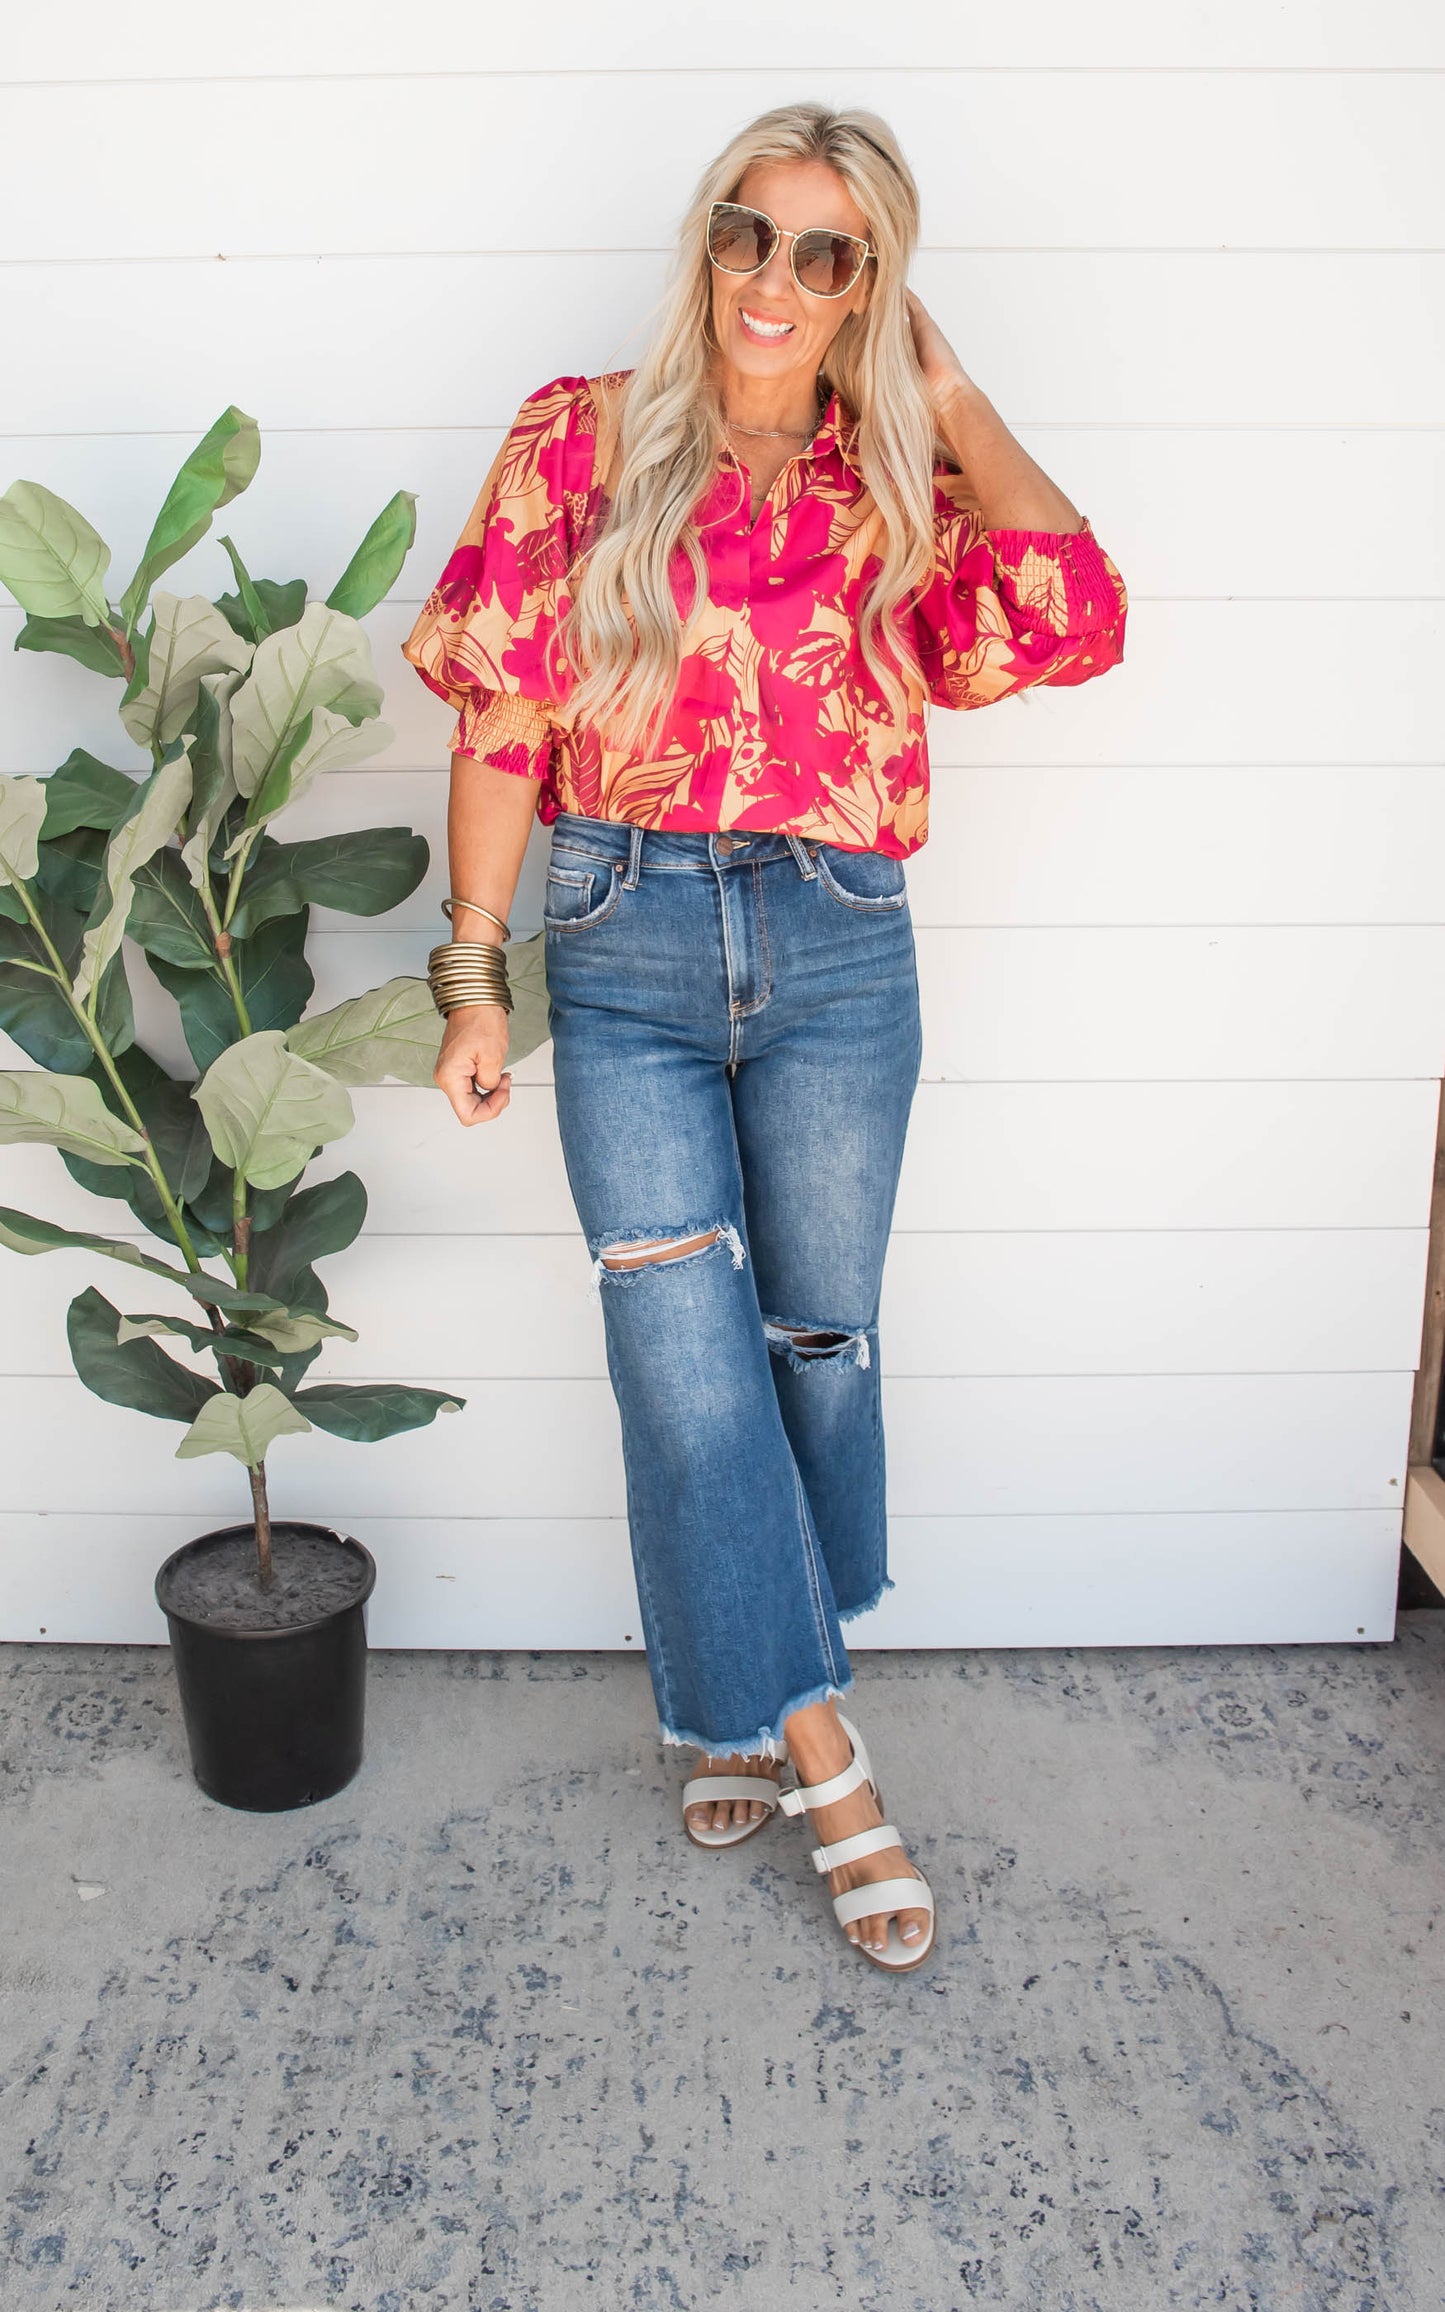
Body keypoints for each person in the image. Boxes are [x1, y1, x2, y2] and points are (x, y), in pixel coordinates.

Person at [403, 102, 1128, 1975]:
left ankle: (724, 1692)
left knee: (811, 1338)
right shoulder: (579, 434)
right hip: (622, 923)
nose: (775, 281)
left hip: (837, 943)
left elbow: (1065, 617)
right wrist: (474, 970)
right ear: (704, 238)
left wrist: (947, 389)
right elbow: (501, 711)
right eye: (750, 233)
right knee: (681, 1341)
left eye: (827, 252)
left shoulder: (897, 473)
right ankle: (827, 1758)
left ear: (868, 279)